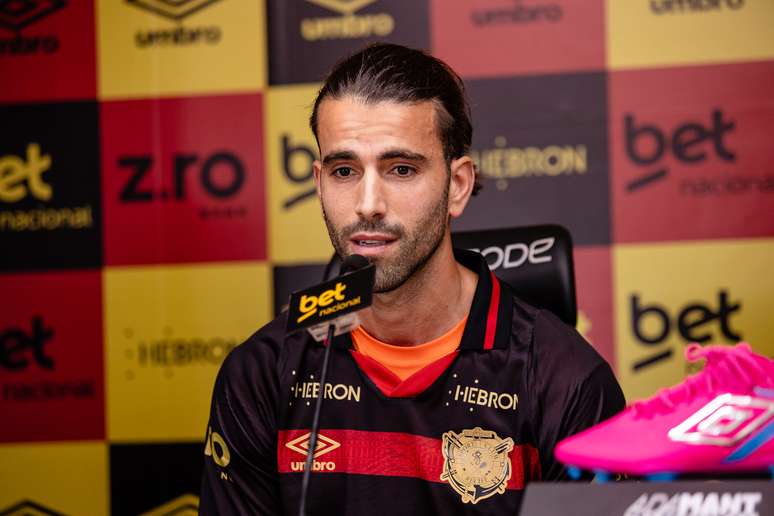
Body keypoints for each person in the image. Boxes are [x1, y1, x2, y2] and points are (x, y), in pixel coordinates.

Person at [200, 43, 625, 515]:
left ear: (457, 186)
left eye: (401, 169)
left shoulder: (566, 379)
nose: (368, 204)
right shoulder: (264, 371)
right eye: (344, 171)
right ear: (318, 183)